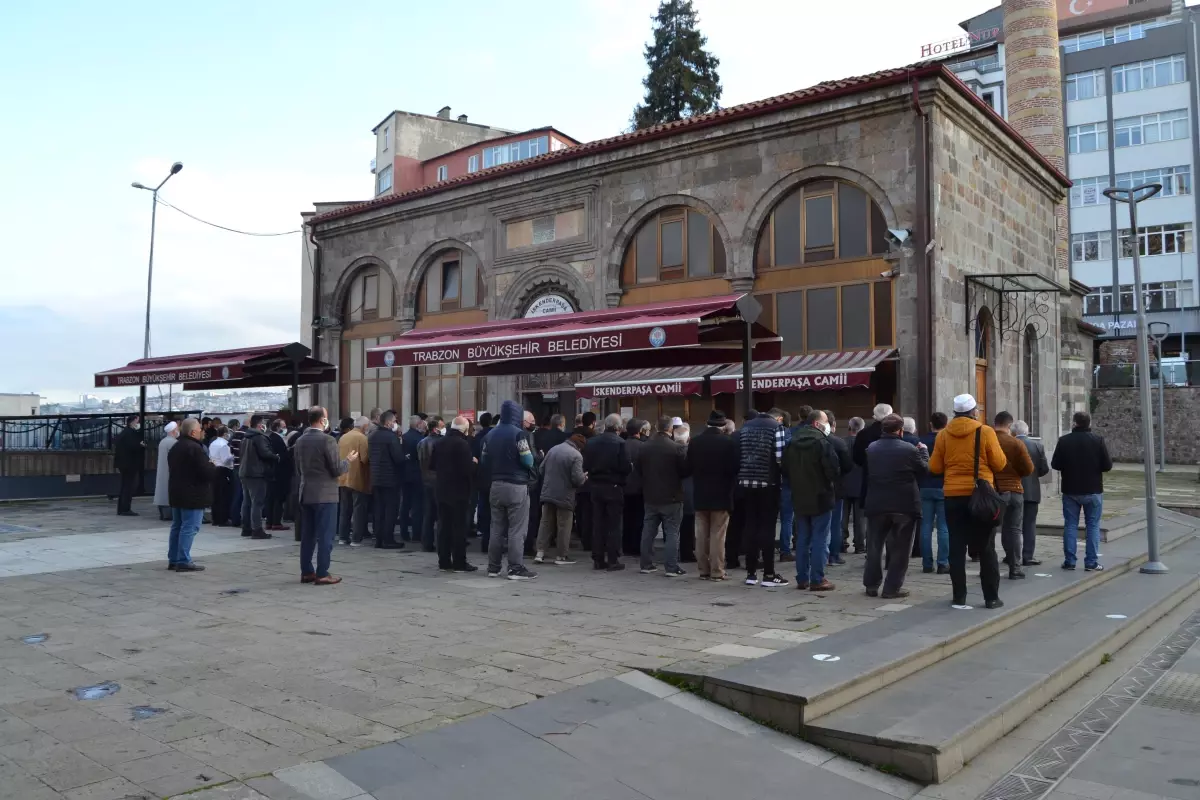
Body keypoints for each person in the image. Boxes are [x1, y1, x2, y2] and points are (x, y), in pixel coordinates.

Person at [929, 393, 1007, 609]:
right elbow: (1000, 463)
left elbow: (934, 467)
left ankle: (959, 596)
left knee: (956, 546)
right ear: (974, 412)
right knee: (986, 547)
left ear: (955, 412)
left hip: (953, 496)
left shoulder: (944, 435)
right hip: (981, 495)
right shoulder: (986, 432)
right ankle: (991, 597)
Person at [863, 414, 929, 599]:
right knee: (901, 548)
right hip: (904, 504)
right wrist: (923, 452)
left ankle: (871, 584)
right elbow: (924, 470)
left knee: (874, 547)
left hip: (877, 502)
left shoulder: (872, 448)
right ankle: (891, 588)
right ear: (900, 431)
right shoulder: (909, 449)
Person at [293, 407, 356, 585]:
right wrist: (348, 461)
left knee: (308, 535)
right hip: (325, 494)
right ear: (322, 420)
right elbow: (336, 469)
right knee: (325, 536)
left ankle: (307, 571)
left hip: (306, 492)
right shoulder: (327, 440)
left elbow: (297, 468)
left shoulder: (300, 440)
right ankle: (322, 572)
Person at [785, 409, 841, 591]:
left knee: (802, 538)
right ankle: (817, 578)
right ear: (817, 423)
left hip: (799, 496)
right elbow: (833, 470)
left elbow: (784, 470)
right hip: (821, 496)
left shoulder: (792, 442)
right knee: (820, 538)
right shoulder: (823, 443)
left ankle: (802, 578)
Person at [1051, 411, 1113, 572]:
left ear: (1074, 423)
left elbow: (1055, 464)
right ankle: (1091, 562)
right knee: (1092, 525)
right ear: (1089, 423)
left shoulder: (1064, 441)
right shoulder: (1098, 441)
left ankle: (1070, 561)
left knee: (1070, 525)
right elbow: (1107, 465)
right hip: (1092, 489)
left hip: (1070, 489)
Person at [482, 401, 538, 580]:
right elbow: (528, 461)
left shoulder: (490, 434)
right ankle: (515, 568)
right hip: (516, 486)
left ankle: (493, 567)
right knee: (516, 529)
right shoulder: (519, 434)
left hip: (496, 485)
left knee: (496, 528)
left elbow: (484, 460)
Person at [736, 410, 788, 588]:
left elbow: (739, 454)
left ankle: (751, 573)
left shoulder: (745, 428)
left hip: (746, 482)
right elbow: (781, 458)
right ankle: (769, 573)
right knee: (767, 527)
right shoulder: (777, 428)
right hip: (768, 483)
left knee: (750, 525)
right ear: (776, 417)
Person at [636, 416, 690, 577]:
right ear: (670, 429)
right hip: (672, 496)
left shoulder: (644, 447)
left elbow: (638, 470)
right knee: (672, 532)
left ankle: (646, 564)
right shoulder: (676, 448)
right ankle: (671, 567)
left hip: (651, 495)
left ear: (655, 426)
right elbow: (685, 472)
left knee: (648, 531)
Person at [688, 410, 737, 580]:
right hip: (722, 495)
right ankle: (717, 570)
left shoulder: (695, 442)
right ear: (723, 425)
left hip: (700, 493)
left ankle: (703, 569)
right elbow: (734, 469)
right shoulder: (728, 443)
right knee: (718, 534)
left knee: (701, 533)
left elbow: (689, 467)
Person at [583, 413, 632, 571]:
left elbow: (586, 464)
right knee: (614, 524)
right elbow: (625, 467)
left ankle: (597, 558)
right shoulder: (620, 443)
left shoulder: (591, 442)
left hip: (596, 486)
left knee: (598, 523)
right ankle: (612, 559)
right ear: (618, 428)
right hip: (614, 486)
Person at [166, 419, 214, 572]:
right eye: (200, 429)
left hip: (176, 492)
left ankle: (173, 559)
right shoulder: (195, 448)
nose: (202, 431)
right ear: (193, 432)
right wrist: (212, 466)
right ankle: (183, 560)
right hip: (193, 494)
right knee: (190, 527)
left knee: (177, 526)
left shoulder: (176, 446)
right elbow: (205, 472)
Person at [992, 411, 1035, 580]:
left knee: (991, 530)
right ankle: (1015, 567)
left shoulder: (988, 440)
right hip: (1015, 489)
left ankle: (988, 567)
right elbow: (1029, 469)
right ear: (1009, 426)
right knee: (1014, 530)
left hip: (994, 490)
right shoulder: (1016, 443)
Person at [432, 416, 478, 572]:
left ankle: (443, 561)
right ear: (464, 429)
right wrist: (474, 462)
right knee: (459, 527)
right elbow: (467, 469)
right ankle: (459, 561)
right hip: (459, 491)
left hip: (441, 489)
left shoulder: (439, 442)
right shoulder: (462, 444)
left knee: (443, 526)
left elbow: (432, 464)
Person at [536, 433, 588, 565]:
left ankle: (540, 552)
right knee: (564, 525)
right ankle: (561, 556)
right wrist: (584, 477)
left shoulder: (553, 449)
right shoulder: (576, 456)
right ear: (579, 446)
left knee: (546, 523)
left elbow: (541, 469)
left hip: (548, 492)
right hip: (565, 496)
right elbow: (577, 479)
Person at [1014, 420, 1050, 567]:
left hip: (1013, 489)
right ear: (1027, 431)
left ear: (1014, 432)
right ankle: (1027, 556)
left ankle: (1012, 555)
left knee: (1012, 525)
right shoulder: (1037, 446)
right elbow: (1044, 469)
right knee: (1029, 524)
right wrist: (1033, 476)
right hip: (1032, 491)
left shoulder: (1009, 444)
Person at [918, 412, 951, 574]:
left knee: (926, 526)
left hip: (925, 486)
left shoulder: (921, 441)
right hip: (943, 486)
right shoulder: (947, 440)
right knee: (944, 527)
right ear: (946, 424)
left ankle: (927, 563)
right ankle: (943, 563)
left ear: (931, 424)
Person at [368, 410, 405, 549]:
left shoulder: (372, 435)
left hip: (376, 477)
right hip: (390, 478)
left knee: (379, 509)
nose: (396, 424)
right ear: (389, 422)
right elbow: (398, 458)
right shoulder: (391, 437)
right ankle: (388, 539)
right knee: (390, 510)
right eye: (395, 421)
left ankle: (378, 539)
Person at [239, 415, 278, 540]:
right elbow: (265, 453)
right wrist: (276, 457)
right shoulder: (259, 437)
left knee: (247, 502)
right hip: (257, 473)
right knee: (257, 502)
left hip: (244, 472)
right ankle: (257, 529)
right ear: (260, 424)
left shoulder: (245, 437)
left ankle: (246, 528)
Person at [824, 411, 853, 565]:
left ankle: (820, 554)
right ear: (833, 424)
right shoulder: (838, 442)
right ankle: (833, 555)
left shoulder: (814, 440)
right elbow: (848, 466)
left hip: (815, 488)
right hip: (836, 488)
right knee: (835, 523)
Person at [338, 416, 372, 546]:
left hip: (342, 477)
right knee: (358, 509)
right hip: (357, 478)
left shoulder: (343, 437)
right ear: (364, 426)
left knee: (345, 509)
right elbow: (364, 459)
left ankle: (342, 537)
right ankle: (356, 539)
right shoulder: (362, 438)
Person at [769, 408, 796, 562]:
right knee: (787, 518)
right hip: (785, 481)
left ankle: (766, 547)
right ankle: (785, 550)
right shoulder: (787, 434)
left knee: (770, 518)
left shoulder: (766, 432)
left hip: (770, 480)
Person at [852, 403, 892, 505]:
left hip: (870, 477)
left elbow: (857, 457)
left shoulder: (863, 433)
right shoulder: (894, 432)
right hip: (892, 480)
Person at [622, 419, 649, 557]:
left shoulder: (622, 445)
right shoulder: (643, 446)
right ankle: (636, 546)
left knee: (626, 518)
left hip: (624, 487)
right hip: (639, 488)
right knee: (639, 518)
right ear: (639, 431)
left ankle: (625, 545)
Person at [840, 417, 866, 555]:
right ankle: (860, 545)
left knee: (842, 516)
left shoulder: (841, 442)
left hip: (843, 484)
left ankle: (841, 543)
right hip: (861, 484)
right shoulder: (865, 444)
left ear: (849, 428)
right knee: (860, 518)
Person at [418, 417, 444, 553]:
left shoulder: (422, 442)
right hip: (437, 480)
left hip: (425, 479)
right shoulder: (439, 442)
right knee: (441, 514)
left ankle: (426, 543)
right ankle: (441, 543)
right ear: (435, 428)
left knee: (428, 514)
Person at [400, 416, 426, 544]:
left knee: (405, 504)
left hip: (404, 474)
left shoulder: (403, 437)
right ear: (419, 424)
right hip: (417, 475)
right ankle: (416, 533)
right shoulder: (420, 439)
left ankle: (403, 532)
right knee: (417, 505)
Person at [114, 414, 145, 516]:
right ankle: (125, 509)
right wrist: (140, 445)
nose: (138, 423)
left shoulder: (124, 432)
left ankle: (122, 508)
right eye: (137, 421)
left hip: (123, 464)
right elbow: (133, 447)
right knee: (128, 486)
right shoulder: (130, 433)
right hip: (129, 464)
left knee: (124, 486)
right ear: (132, 422)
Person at [675, 423, 696, 562]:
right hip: (688, 492)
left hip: (672, 491)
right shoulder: (691, 453)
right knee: (688, 523)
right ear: (688, 438)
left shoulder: (669, 451)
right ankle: (687, 552)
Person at [153, 421, 180, 521]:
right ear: (173, 431)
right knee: (168, 493)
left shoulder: (163, 441)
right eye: (177, 429)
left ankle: (163, 513)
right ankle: (168, 514)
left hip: (163, 470)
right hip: (170, 471)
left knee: (162, 491)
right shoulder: (174, 442)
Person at [209, 426, 234, 527]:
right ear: (224, 434)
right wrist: (232, 456)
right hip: (223, 470)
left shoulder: (213, 443)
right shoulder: (224, 445)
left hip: (214, 468)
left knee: (216, 495)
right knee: (224, 495)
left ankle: (216, 518)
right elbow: (225, 460)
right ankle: (223, 519)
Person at [228, 419, 245, 527]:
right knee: (241, 494)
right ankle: (238, 518)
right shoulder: (245, 437)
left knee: (236, 493)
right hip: (242, 467)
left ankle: (235, 517)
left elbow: (231, 451)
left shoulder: (233, 437)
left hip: (235, 466)